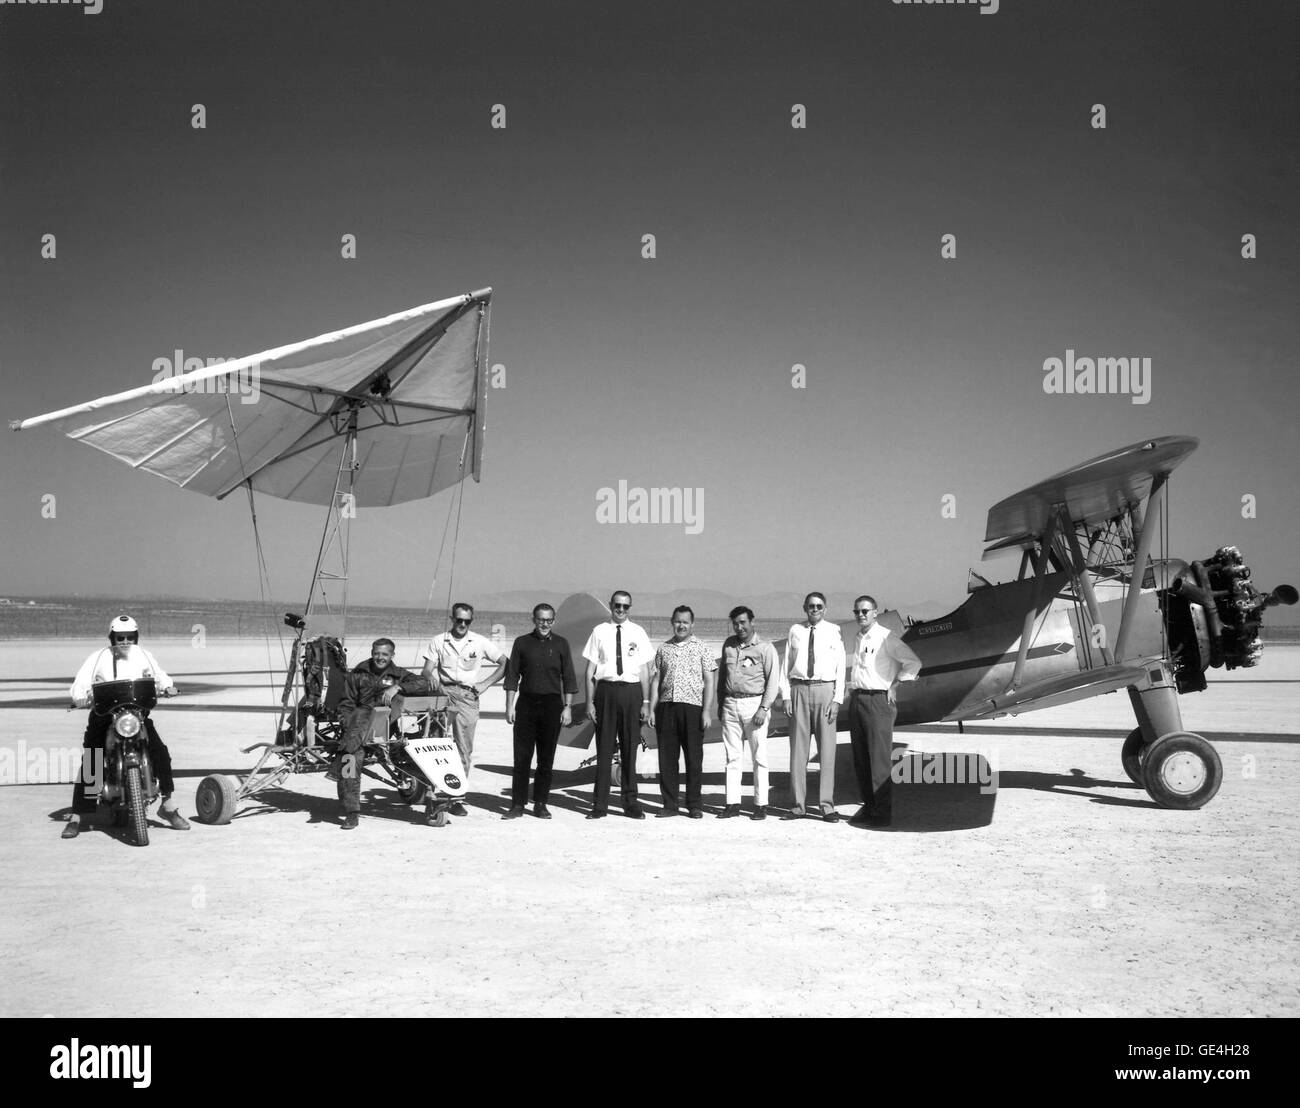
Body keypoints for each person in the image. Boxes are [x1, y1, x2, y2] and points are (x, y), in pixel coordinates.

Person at [64, 614, 187, 838]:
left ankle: (167, 805)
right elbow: (80, 684)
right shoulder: (98, 658)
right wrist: (81, 696)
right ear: (112, 638)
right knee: (93, 756)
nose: (125, 642)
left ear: (136, 637)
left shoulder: (144, 656)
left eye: (130, 637)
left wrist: (168, 686)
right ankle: (78, 815)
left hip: (135, 714)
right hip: (105, 715)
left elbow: (159, 677)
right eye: (120, 638)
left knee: (160, 752)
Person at [419, 602, 507, 816]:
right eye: (459, 620)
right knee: (434, 744)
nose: (462, 624)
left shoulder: (479, 642)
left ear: (471, 621)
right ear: (452, 619)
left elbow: (506, 663)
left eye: (467, 621)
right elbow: (427, 670)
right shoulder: (439, 641)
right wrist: (431, 678)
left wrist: (485, 684)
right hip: (444, 693)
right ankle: (430, 792)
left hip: (468, 697)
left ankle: (456, 798)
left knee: (463, 749)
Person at [333, 638, 429, 830]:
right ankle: (351, 812)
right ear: (371, 652)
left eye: (385, 654)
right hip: (358, 726)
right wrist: (346, 723)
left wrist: (398, 687)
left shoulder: (398, 675)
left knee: (349, 750)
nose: (380, 657)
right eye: (377, 653)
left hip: (384, 729)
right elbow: (346, 705)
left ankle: (341, 761)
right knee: (350, 760)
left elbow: (423, 683)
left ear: (392, 656)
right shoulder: (358, 674)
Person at [847, 596, 921, 827]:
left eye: (865, 611)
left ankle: (882, 814)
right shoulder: (860, 637)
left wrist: (895, 684)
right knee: (861, 760)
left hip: (878, 702)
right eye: (857, 611)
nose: (861, 615)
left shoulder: (886, 637)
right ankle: (869, 808)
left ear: (875, 612)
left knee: (879, 761)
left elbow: (913, 662)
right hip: (857, 700)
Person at [581, 590, 653, 819]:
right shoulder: (599, 631)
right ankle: (599, 806)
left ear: (630, 608)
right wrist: (590, 703)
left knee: (630, 751)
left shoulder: (638, 632)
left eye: (625, 606)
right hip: (606, 693)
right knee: (604, 750)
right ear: (611, 605)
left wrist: (645, 702)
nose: (621, 610)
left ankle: (631, 804)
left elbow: (644, 671)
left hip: (632, 693)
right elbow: (590, 670)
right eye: (617, 606)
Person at [503, 603, 576, 820]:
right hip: (526, 704)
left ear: (554, 621)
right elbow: (512, 676)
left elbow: (569, 678)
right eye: (541, 620)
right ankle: (517, 804)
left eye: (549, 620)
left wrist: (568, 707)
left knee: (546, 759)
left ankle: (541, 803)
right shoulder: (522, 643)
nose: (545, 624)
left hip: (552, 705)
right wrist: (509, 707)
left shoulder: (562, 644)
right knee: (522, 758)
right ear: (533, 619)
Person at [779, 592, 845, 822]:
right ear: (804, 608)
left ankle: (827, 806)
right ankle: (798, 806)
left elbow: (840, 667)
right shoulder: (795, 630)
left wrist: (837, 700)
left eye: (819, 606)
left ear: (825, 609)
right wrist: (786, 695)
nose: (814, 609)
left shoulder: (834, 631)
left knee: (827, 752)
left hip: (825, 690)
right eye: (810, 606)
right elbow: (786, 664)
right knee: (798, 751)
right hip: (798, 690)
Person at [648, 606, 717, 819]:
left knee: (694, 759)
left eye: (685, 622)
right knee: (667, 759)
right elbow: (656, 680)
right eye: (678, 621)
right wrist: (651, 709)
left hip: (693, 709)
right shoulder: (663, 649)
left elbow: (709, 680)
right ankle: (669, 804)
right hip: (667, 707)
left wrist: (706, 711)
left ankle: (694, 804)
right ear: (672, 621)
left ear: (692, 624)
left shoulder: (702, 648)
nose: (681, 625)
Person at [716, 605, 780, 820]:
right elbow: (722, 676)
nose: (739, 627)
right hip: (730, 704)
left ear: (753, 622)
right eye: (735, 623)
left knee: (759, 756)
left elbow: (773, 682)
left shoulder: (765, 648)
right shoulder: (729, 645)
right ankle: (732, 803)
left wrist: (763, 708)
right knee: (732, 757)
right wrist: (720, 703)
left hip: (754, 706)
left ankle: (760, 804)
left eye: (743, 622)